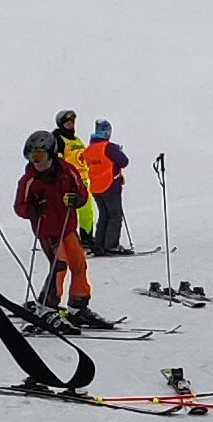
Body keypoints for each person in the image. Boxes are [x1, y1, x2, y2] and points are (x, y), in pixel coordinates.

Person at [14, 127, 94, 319]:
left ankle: (78, 305)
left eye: (39, 156)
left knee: (79, 264)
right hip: (48, 231)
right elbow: (19, 207)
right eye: (32, 157)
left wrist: (78, 200)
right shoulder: (30, 181)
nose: (36, 162)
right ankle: (47, 306)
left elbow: (82, 190)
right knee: (59, 266)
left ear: (50, 154)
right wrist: (34, 210)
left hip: (68, 227)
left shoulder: (67, 171)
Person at [83, 119, 131, 253]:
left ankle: (99, 245)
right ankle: (111, 245)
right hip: (110, 185)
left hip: (95, 187)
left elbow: (86, 160)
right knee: (115, 215)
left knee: (104, 215)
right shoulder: (108, 147)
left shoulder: (90, 148)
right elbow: (124, 161)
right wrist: (117, 151)